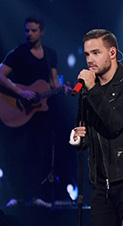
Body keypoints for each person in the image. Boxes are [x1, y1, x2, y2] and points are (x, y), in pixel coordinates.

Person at [69, 29, 123, 226]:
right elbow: (85, 133)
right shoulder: (88, 90)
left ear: (112, 53)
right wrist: (77, 138)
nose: (90, 60)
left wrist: (92, 89)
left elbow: (114, 123)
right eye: (87, 55)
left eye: (96, 53)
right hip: (100, 185)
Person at [0, 14, 66, 207]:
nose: (29, 34)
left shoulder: (50, 54)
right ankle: (17, 196)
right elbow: (1, 75)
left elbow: (53, 81)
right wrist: (21, 91)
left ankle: (35, 195)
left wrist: (63, 88)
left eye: (33, 30)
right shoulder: (18, 53)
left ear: (42, 32)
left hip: (39, 112)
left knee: (38, 154)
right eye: (27, 30)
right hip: (18, 108)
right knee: (17, 154)